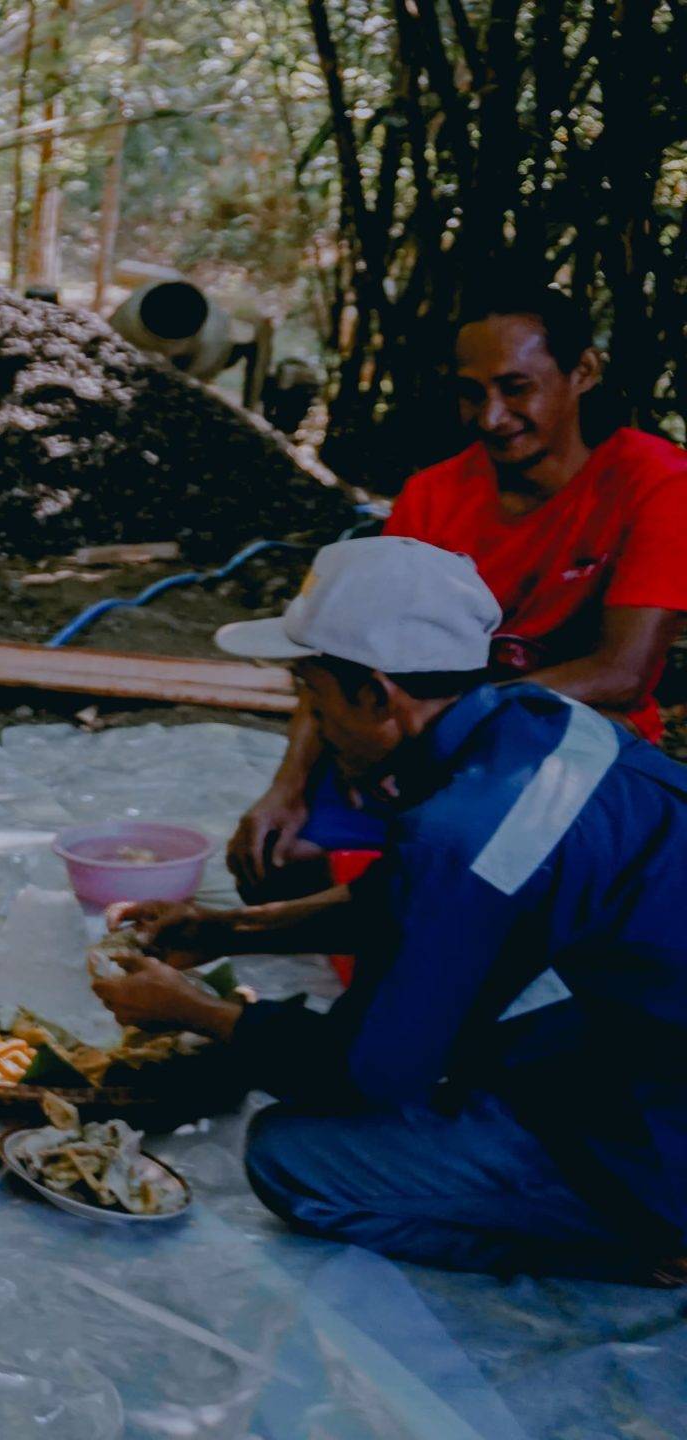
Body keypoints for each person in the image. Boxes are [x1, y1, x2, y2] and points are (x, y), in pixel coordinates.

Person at [93, 535, 687, 1285]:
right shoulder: (527, 719)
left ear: (376, 695)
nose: (311, 720)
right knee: (476, 1060)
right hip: (652, 1026)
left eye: (312, 696)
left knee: (292, 1156)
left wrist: (197, 1012)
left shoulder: (468, 832)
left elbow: (366, 1073)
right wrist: (225, 929)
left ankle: (644, 1238)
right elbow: (408, 897)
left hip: (666, 1095)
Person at [231, 283, 687, 899]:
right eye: (472, 393)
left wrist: (444, 724)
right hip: (428, 739)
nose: (491, 417)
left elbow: (622, 674)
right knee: (275, 860)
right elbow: (343, 658)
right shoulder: (432, 494)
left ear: (583, 372)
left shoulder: (655, 482)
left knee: (460, 883)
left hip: (566, 739)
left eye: (516, 387)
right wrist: (285, 789)